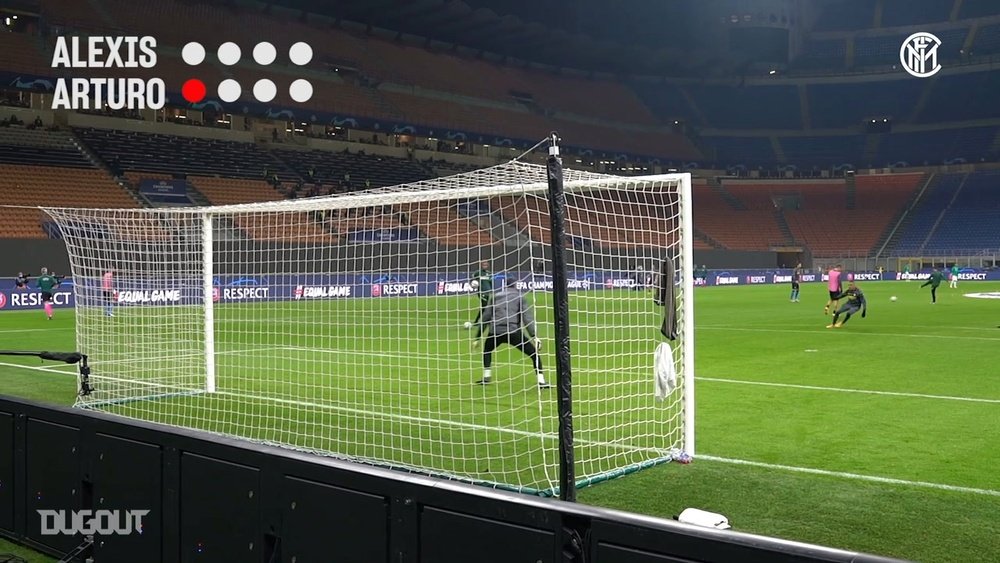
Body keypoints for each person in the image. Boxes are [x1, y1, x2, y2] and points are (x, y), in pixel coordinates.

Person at [472, 284, 549, 388]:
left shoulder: (495, 296)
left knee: (487, 350)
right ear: (515, 286)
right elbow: (527, 318)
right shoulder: (519, 297)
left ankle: (486, 377)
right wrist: (534, 336)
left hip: (495, 332)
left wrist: (477, 338)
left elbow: (486, 317)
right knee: (533, 354)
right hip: (513, 332)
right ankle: (541, 381)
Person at [467, 261, 493, 330]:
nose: (485, 266)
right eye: (483, 265)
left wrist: (491, 290)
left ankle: (478, 321)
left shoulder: (489, 274)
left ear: (488, 266)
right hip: (481, 292)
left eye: (486, 265)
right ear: (481, 266)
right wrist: (472, 285)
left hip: (487, 292)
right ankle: (482, 321)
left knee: (484, 307)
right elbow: (471, 279)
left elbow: (491, 282)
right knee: (485, 306)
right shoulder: (478, 273)